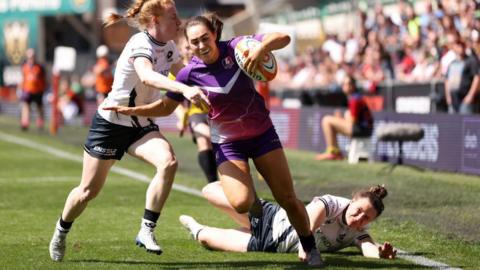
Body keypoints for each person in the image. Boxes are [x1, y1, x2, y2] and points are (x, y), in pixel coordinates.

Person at [103, 13, 323, 266]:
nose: (200, 45)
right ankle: (255, 206)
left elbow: (282, 37)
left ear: (214, 35)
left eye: (205, 38)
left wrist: (260, 48)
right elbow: (164, 108)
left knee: (288, 198)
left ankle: (310, 247)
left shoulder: (237, 47)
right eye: (194, 42)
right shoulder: (187, 74)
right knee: (240, 202)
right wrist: (132, 110)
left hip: (263, 135)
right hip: (228, 144)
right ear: (188, 44)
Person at [48, 0, 209, 262]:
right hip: (111, 124)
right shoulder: (139, 44)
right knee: (88, 191)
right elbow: (147, 76)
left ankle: (146, 230)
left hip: (140, 124)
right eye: (173, 17)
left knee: (168, 162)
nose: (179, 23)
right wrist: (183, 89)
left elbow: (189, 75)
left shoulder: (169, 48)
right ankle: (61, 229)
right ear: (155, 21)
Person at [179, 183, 397, 262]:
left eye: (366, 218)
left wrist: (380, 253)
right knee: (209, 191)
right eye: (358, 211)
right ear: (352, 201)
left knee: (206, 239)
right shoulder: (332, 203)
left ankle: (194, 226)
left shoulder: (358, 231)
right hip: (269, 219)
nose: (359, 219)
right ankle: (241, 183)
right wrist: (306, 245)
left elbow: (367, 247)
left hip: (268, 245)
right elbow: (311, 218)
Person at [174, 36, 217, 183]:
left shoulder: (205, 64)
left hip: (215, 111)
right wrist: (181, 118)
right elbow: (173, 100)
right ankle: (213, 183)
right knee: (205, 140)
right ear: (180, 50)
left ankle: (226, 181)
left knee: (212, 144)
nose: (190, 51)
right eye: (186, 48)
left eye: (190, 47)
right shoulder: (176, 71)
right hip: (195, 113)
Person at [316, 75, 373, 161]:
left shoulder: (355, 99)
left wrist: (341, 120)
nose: (345, 86)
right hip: (364, 129)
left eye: (348, 84)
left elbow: (353, 121)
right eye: (344, 84)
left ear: (352, 86)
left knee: (326, 120)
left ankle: (332, 152)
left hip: (361, 129)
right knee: (334, 119)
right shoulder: (355, 97)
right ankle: (335, 152)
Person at [444, 40, 480, 114]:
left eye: (462, 45)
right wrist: (448, 97)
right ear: (453, 48)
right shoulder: (452, 63)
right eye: (458, 45)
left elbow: (477, 78)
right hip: (453, 100)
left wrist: (470, 95)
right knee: (453, 124)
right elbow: (447, 80)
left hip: (465, 99)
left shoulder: (471, 60)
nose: (460, 48)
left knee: (466, 123)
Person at [19, 48, 47, 131]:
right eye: (29, 57)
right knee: (26, 105)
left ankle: (40, 122)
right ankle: (25, 122)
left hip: (38, 90)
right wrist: (20, 88)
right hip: (27, 90)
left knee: (39, 107)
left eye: (32, 56)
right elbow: (22, 78)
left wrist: (44, 89)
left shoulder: (40, 67)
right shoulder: (24, 66)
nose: (31, 58)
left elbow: (44, 79)